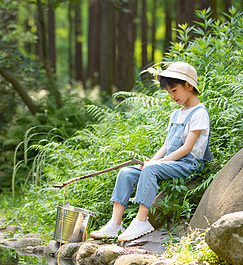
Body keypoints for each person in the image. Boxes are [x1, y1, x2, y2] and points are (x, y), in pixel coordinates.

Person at [90, 61, 212, 242]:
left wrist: (155, 165)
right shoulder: (176, 114)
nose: (172, 96)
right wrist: (149, 162)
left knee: (150, 169)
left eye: (175, 90)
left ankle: (142, 221)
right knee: (127, 172)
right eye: (169, 92)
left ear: (189, 85)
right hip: (170, 162)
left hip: (188, 164)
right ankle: (115, 224)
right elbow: (166, 146)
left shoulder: (199, 113)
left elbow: (187, 148)